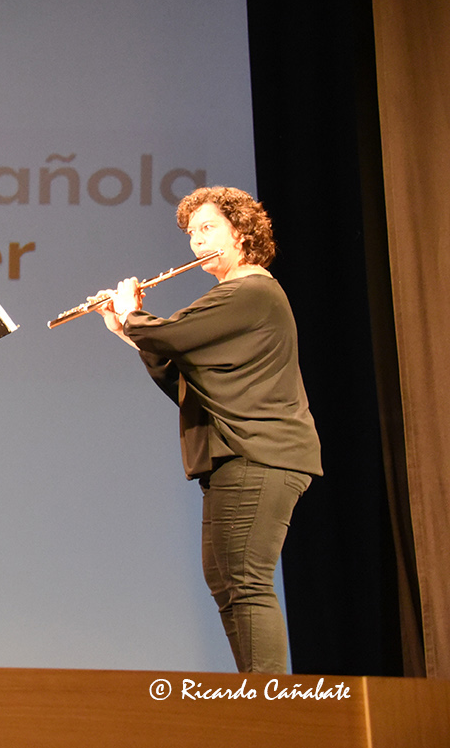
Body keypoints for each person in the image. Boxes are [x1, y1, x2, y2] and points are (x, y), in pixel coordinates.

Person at [94, 186, 322, 674]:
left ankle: (268, 705)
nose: (197, 242)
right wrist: (124, 328)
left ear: (241, 232)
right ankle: (253, 694)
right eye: (191, 234)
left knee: (246, 580)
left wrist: (131, 312)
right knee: (224, 579)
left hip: (260, 453)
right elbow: (183, 372)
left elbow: (171, 335)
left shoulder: (250, 291)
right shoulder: (232, 298)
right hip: (237, 456)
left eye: (207, 228)